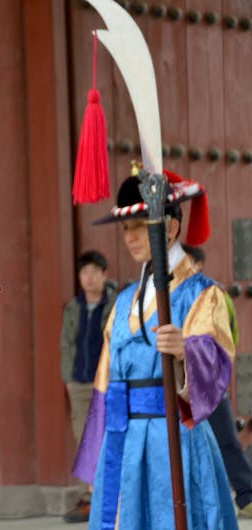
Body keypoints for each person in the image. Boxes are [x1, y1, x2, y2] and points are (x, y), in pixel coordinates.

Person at [72, 169, 238, 529]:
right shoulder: (124, 301)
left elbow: (219, 366)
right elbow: (104, 385)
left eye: (139, 226)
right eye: (126, 229)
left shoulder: (202, 294)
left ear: (171, 226)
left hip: (177, 436)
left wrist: (187, 350)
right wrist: (98, 455)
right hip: (125, 441)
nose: (129, 238)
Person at [182, 244, 252, 517]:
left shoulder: (214, 294)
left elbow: (228, 338)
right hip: (180, 385)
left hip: (208, 384)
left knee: (226, 439)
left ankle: (246, 494)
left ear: (198, 265)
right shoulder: (170, 296)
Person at [60, 250, 117, 523]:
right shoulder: (74, 307)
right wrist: (69, 378)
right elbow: (66, 344)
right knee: (84, 436)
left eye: (95, 272)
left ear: (105, 275)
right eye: (85, 273)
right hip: (81, 382)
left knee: (111, 432)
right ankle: (89, 496)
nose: (90, 277)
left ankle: (111, 493)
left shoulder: (116, 303)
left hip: (109, 381)